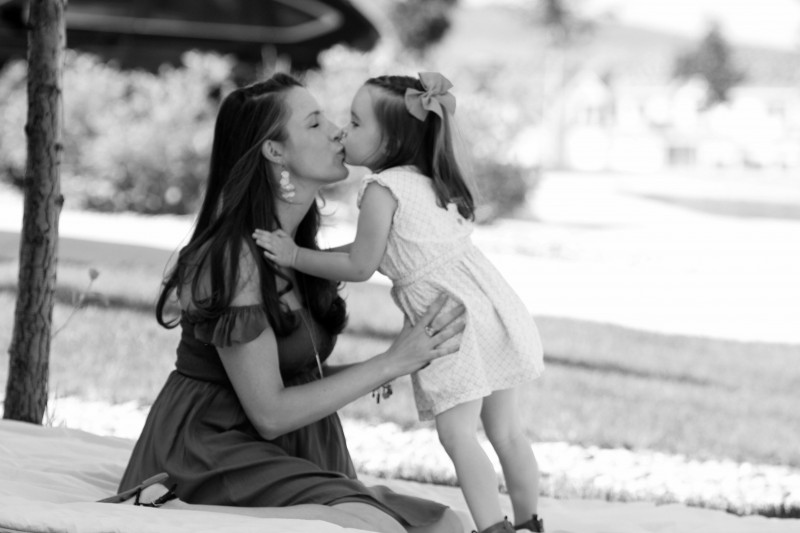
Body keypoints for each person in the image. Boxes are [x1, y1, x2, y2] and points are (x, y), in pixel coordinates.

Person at [114, 72, 467, 533]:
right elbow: (270, 412)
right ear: (274, 151)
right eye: (315, 123)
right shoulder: (234, 259)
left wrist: (395, 361)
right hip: (209, 453)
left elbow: (297, 376)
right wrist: (389, 363)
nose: (338, 132)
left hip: (280, 447)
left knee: (444, 523)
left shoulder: (294, 251)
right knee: (369, 527)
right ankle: (171, 510)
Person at [253, 73, 546, 533]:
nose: (342, 131)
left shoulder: (381, 189)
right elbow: (372, 254)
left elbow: (360, 264)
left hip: (451, 321)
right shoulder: (430, 180)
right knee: (506, 432)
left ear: (388, 140)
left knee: (457, 435)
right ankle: (530, 522)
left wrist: (293, 257)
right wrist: (307, 262)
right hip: (491, 308)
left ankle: (493, 528)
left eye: (355, 123)